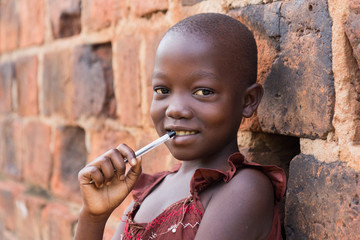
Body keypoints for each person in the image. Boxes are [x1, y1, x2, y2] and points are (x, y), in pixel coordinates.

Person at [75, 13, 286, 240]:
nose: (174, 109)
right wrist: (93, 217)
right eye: (162, 91)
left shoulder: (244, 190)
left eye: (203, 92)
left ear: (248, 101)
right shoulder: (149, 193)